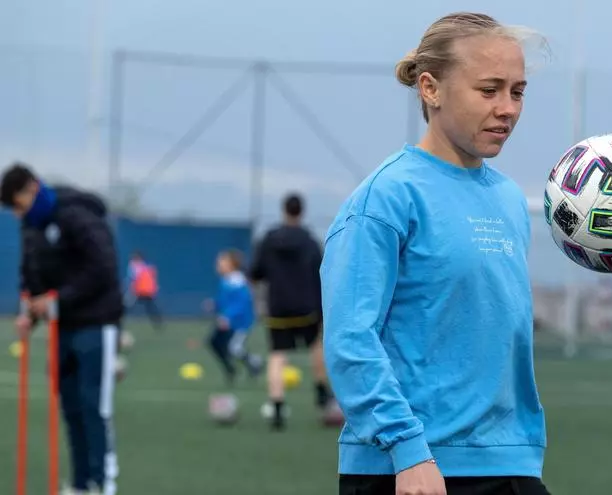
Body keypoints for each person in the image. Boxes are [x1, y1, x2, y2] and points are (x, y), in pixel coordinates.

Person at [320, 12, 552, 495]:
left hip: (507, 463)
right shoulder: (386, 198)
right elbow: (350, 339)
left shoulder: (508, 198)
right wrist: (407, 450)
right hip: (411, 470)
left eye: (518, 91)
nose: (507, 108)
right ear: (431, 89)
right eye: (489, 90)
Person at [1, 163, 123, 495]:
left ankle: (103, 481)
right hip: (63, 326)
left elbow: (103, 268)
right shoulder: (31, 227)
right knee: (69, 405)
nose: (16, 213)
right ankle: (81, 482)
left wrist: (57, 299)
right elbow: (31, 275)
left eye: (18, 205)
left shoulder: (77, 216)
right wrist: (30, 310)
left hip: (96, 321)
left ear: (32, 188)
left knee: (92, 403)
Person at [249, 193, 340, 431]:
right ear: (301, 211)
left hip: (278, 307)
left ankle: (277, 405)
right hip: (306, 307)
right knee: (314, 346)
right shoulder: (310, 241)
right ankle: (321, 391)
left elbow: (256, 272)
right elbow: (321, 274)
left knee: (278, 355)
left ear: (283, 210)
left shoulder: (268, 240)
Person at [205, 249, 264, 387]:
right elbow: (225, 300)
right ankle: (232, 369)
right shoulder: (226, 281)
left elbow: (241, 304)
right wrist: (215, 304)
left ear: (232, 264)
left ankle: (255, 364)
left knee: (234, 348)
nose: (218, 265)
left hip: (240, 323)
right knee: (215, 343)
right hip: (229, 321)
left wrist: (227, 316)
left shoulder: (238, 282)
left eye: (221, 262)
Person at [124, 251, 163, 331]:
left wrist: (130, 288)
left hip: (139, 291)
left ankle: (120, 321)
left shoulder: (134, 266)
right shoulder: (146, 267)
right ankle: (158, 323)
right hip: (146, 291)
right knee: (151, 308)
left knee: (128, 306)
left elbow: (133, 279)